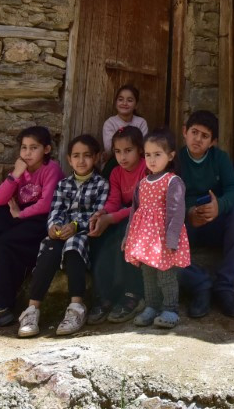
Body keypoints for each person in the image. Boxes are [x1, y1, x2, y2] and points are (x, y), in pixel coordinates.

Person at [0, 126, 61, 334]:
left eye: (34, 148)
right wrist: (16, 173)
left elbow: (46, 205)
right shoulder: (21, 171)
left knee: (0, 246)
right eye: (24, 148)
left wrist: (19, 215)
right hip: (21, 219)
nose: (27, 153)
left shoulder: (51, 169)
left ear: (47, 149)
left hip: (39, 222)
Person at [17, 135, 109, 337]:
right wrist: (53, 226)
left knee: (73, 244)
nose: (81, 160)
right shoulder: (63, 185)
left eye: (87, 156)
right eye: (76, 156)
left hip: (84, 235)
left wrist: (76, 226)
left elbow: (98, 213)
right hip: (61, 233)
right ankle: (32, 310)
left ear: (96, 158)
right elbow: (55, 210)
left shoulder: (101, 185)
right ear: (69, 159)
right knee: (51, 245)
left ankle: (76, 307)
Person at [177, 110, 234, 319]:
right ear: (185, 132)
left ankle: (225, 287)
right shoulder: (174, 159)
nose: (198, 139)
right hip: (185, 227)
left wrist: (219, 205)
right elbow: (165, 199)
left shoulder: (220, 158)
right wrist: (188, 212)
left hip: (214, 222)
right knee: (155, 228)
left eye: (204, 136)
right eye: (194, 132)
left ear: (213, 142)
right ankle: (199, 285)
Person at [123, 128, 190, 329]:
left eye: (157, 154)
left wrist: (172, 239)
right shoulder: (142, 183)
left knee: (166, 274)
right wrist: (128, 237)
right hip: (145, 238)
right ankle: (151, 306)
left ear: (170, 156)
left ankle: (170, 309)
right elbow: (134, 211)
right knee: (148, 273)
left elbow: (177, 212)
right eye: (148, 155)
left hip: (163, 239)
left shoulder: (172, 181)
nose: (152, 160)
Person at [86, 125, 146, 324]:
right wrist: (102, 213)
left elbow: (141, 205)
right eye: (118, 152)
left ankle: (133, 295)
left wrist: (111, 218)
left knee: (125, 235)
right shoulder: (116, 173)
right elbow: (113, 200)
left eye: (128, 151)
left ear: (140, 149)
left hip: (144, 218)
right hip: (123, 215)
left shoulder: (147, 168)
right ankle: (105, 296)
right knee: (101, 237)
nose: (122, 157)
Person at [101, 84, 148, 158]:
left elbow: (144, 146)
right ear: (116, 103)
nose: (124, 103)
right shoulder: (110, 123)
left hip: (136, 160)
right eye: (120, 99)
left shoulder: (141, 122)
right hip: (115, 159)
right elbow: (109, 149)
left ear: (136, 105)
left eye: (129, 100)